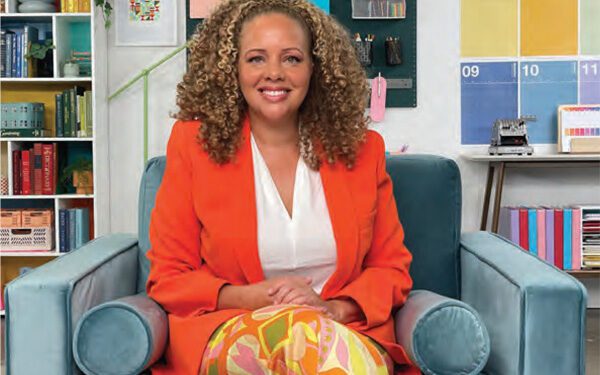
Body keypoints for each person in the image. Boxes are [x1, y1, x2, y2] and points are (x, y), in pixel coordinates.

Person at [146, 0, 417, 373]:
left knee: (310, 342)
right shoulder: (192, 145)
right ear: (233, 68)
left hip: (340, 331)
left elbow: (391, 269)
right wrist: (249, 298)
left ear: (315, 69)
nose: (274, 73)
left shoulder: (363, 151)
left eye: (291, 58)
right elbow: (170, 276)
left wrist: (332, 308)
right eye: (256, 58)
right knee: (294, 339)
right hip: (232, 328)